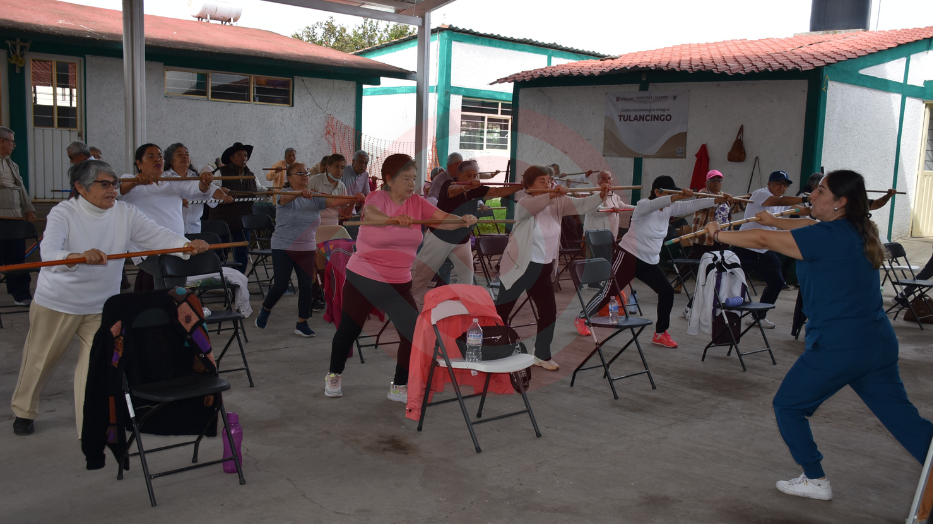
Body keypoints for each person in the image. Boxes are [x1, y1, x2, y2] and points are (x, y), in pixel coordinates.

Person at [703, 169, 933, 501]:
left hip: (839, 346)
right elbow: (805, 225)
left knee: (788, 406)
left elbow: (764, 240)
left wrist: (720, 234)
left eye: (821, 191)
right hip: (876, 344)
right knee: (903, 419)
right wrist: (774, 220)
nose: (812, 194)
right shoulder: (853, 229)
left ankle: (815, 479)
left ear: (841, 202)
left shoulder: (828, 236)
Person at [10, 160, 209, 436]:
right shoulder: (63, 213)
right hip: (58, 303)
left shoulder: (125, 212)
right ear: (80, 187)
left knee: (95, 370)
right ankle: (24, 410)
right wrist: (75, 257)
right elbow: (50, 253)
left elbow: (156, 235)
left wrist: (185, 245)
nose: (113, 190)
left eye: (114, 184)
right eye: (104, 184)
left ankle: (89, 427)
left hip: (101, 306)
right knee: (39, 361)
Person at [326, 154, 476, 402]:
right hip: (364, 279)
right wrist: (392, 219)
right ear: (389, 179)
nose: (411, 184)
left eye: (413, 179)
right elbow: (371, 215)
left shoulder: (417, 203)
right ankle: (334, 374)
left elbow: (442, 220)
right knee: (349, 330)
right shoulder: (377, 198)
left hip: (398, 283)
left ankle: (399, 385)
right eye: (405, 178)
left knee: (412, 334)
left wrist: (461, 220)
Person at [587, 175, 732, 348]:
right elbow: (656, 204)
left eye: (673, 195)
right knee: (609, 292)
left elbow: (693, 205)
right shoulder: (643, 205)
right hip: (629, 256)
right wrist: (675, 197)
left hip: (649, 262)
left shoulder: (670, 208)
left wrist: (716, 200)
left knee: (667, 292)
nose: (672, 198)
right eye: (669, 194)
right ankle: (582, 318)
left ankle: (660, 333)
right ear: (657, 192)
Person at [494, 166, 608, 370]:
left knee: (548, 312)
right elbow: (533, 206)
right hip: (519, 267)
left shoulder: (557, 202)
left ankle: (542, 355)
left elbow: (581, 205)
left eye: (549, 180)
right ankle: (491, 349)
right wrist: (551, 193)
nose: (548, 184)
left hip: (543, 267)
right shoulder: (524, 202)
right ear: (529, 185)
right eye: (542, 181)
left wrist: (601, 195)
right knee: (502, 310)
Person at [254, 162, 363, 336]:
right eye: (299, 173)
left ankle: (302, 323)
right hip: (283, 247)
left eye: (306, 173)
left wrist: (354, 198)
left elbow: (336, 201)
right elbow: (286, 199)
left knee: (306, 286)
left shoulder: (314, 196)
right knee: (281, 285)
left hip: (307, 247)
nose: (304, 175)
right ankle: (265, 309)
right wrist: (299, 193)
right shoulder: (283, 194)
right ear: (289, 178)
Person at [410, 159, 521, 304]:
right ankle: (409, 306)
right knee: (422, 276)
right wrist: (466, 186)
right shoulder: (448, 184)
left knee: (467, 277)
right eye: (469, 175)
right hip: (439, 238)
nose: (472, 179)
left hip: (462, 240)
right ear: (459, 175)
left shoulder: (476, 189)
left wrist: (519, 187)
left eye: (475, 176)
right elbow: (453, 191)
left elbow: (497, 191)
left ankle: (459, 306)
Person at [119, 143, 228, 290]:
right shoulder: (129, 180)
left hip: (175, 245)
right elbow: (119, 191)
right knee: (173, 281)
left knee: (169, 288)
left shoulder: (172, 181)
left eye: (159, 156)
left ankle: (166, 304)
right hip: (147, 250)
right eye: (151, 156)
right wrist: (135, 181)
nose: (157, 159)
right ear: (139, 163)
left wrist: (205, 182)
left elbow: (197, 188)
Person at [734, 170, 809, 328]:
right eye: (778, 183)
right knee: (724, 280)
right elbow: (777, 201)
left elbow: (798, 209)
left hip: (764, 249)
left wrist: (817, 209)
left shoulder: (782, 201)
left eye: (785, 185)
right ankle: (693, 307)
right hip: (745, 247)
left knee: (777, 282)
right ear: (769, 184)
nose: (782, 187)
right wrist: (805, 198)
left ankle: (757, 317)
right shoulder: (761, 194)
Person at [573, 170, 635, 335]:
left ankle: (600, 286)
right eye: (605, 179)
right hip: (595, 233)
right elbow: (595, 210)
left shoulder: (614, 195)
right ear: (599, 181)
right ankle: (586, 282)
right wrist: (610, 210)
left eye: (610, 179)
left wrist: (639, 208)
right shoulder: (593, 193)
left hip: (610, 235)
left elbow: (622, 206)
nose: (608, 181)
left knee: (607, 262)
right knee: (594, 260)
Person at [679, 170, 734, 317]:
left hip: (722, 238)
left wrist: (737, 200)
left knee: (717, 272)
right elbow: (706, 201)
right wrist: (722, 199)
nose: (716, 183)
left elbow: (732, 210)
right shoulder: (703, 193)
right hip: (705, 239)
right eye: (713, 180)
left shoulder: (724, 196)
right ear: (707, 182)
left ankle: (713, 301)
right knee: (691, 263)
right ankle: (679, 283)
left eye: (719, 180)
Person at [0, 127, 37, 306]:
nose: (13, 145)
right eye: (11, 142)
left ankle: (21, 295)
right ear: (2, 141)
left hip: (15, 219)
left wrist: (29, 210)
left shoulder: (12, 165)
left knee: (16, 259)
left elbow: (21, 190)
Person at [210, 142, 259, 273]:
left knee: (242, 251)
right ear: (231, 158)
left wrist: (268, 192)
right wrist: (222, 193)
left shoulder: (250, 175)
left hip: (243, 220)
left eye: (245, 155)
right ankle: (217, 278)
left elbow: (259, 189)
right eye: (240, 155)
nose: (244, 158)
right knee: (219, 251)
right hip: (222, 220)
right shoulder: (221, 172)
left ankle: (238, 277)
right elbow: (211, 191)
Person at [162, 142, 229, 235]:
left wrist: (223, 196)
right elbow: (195, 186)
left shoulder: (196, 177)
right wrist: (203, 183)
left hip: (194, 231)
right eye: (179, 154)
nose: (184, 157)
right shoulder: (164, 178)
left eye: (187, 154)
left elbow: (211, 190)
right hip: (171, 232)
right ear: (170, 160)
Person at [308, 154, 352, 226]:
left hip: (333, 224)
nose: (339, 170)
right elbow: (303, 203)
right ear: (327, 167)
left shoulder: (342, 186)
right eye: (336, 166)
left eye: (342, 168)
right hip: (314, 225)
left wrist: (353, 201)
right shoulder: (314, 180)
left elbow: (344, 212)